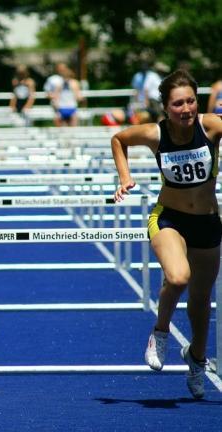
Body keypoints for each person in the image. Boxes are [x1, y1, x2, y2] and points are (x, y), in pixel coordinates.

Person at [111, 69, 222, 399]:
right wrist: (124, 176)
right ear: (166, 108)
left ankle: (197, 359)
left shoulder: (211, 126)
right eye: (178, 104)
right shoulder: (155, 134)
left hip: (207, 222)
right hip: (169, 218)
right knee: (177, 278)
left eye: (191, 101)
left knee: (202, 303)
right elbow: (118, 139)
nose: (186, 109)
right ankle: (160, 333)